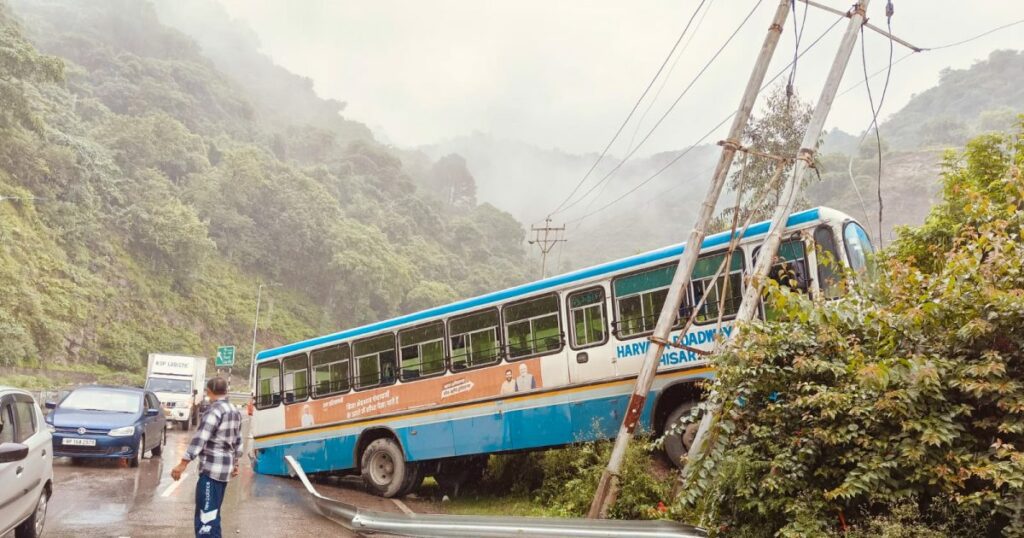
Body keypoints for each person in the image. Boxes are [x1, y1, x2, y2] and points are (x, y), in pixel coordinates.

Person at [171, 377, 242, 538]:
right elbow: (238, 440)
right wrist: (235, 463)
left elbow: (200, 439)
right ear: (226, 390)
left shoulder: (214, 411)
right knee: (213, 514)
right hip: (224, 472)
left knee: (206, 518)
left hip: (211, 472)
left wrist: (183, 464)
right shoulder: (234, 410)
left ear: (209, 391)